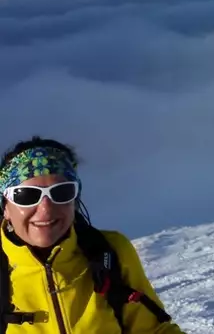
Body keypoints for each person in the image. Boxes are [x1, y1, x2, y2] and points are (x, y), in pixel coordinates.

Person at [0, 136, 186, 334]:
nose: (45, 209)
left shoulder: (110, 251)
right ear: (6, 207)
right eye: (26, 195)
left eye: (61, 192)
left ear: (75, 200)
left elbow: (152, 331)